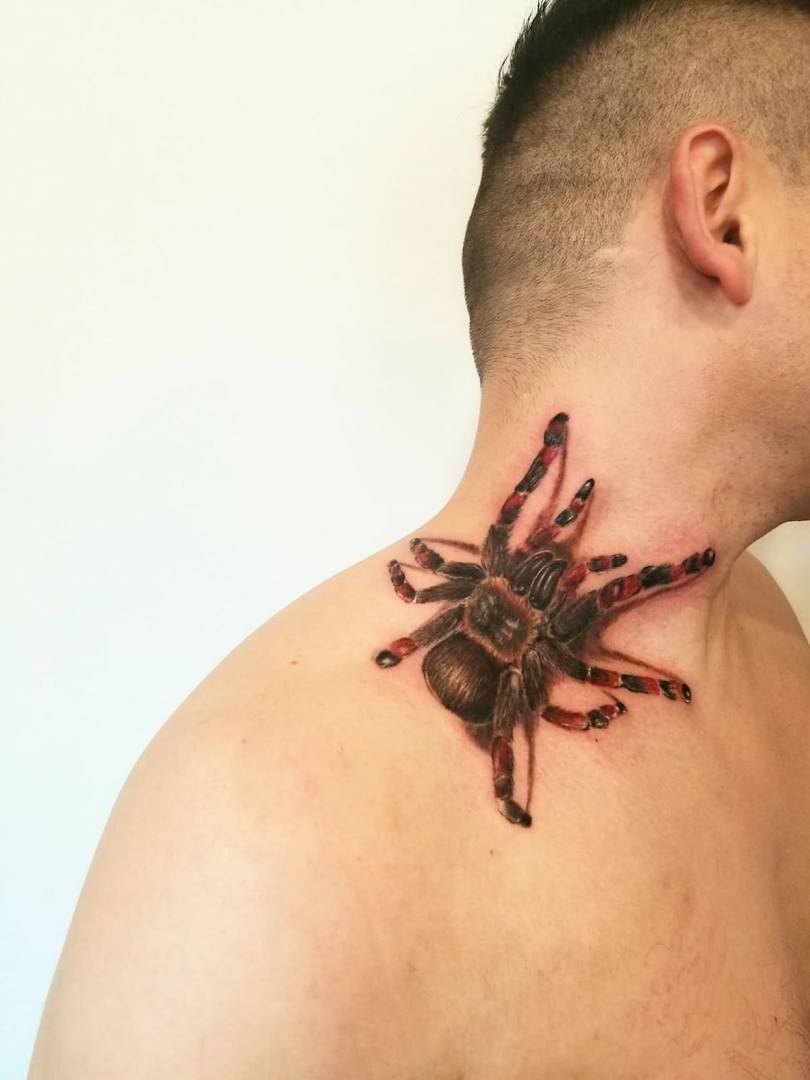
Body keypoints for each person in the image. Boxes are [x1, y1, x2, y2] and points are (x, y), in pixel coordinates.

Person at [29, 0, 810, 1076]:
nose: (553, 550)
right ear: (723, 213)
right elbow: (569, 656)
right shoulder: (252, 858)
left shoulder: (765, 634)